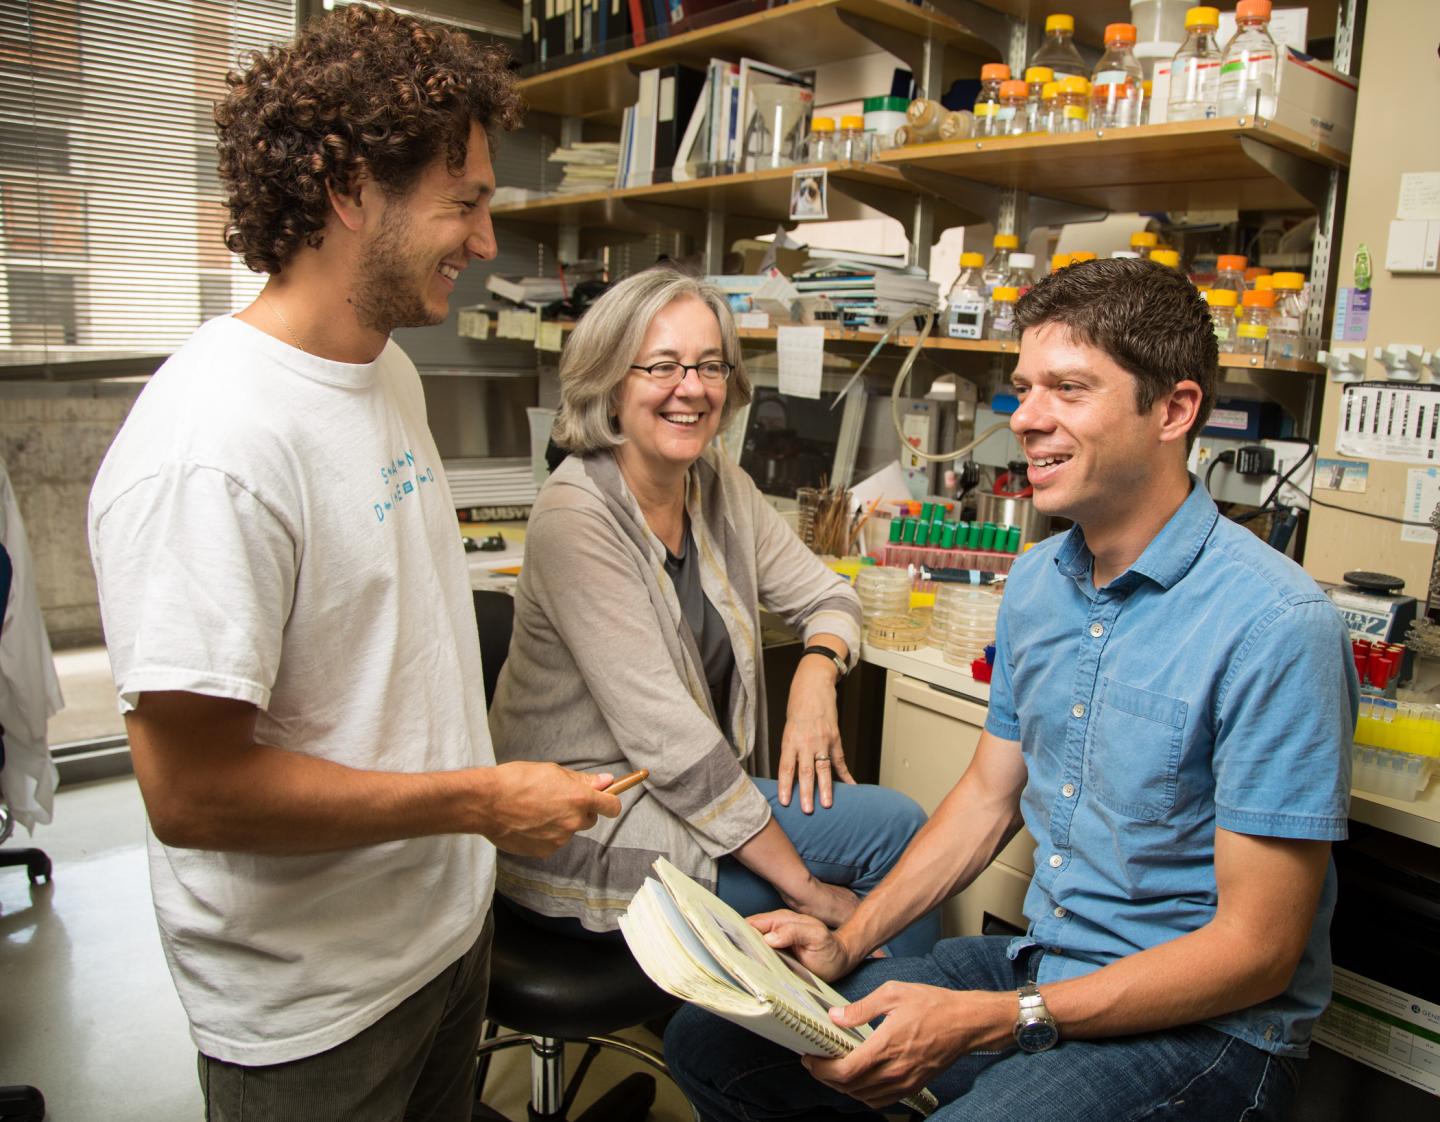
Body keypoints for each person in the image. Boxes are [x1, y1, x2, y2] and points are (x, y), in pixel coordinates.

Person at [663, 256, 1358, 1121]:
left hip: (1209, 1033)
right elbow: (988, 799)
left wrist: (994, 1020)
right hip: (1047, 964)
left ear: (1174, 411)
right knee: (716, 1044)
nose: (1027, 419)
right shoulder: (1037, 585)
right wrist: (846, 941)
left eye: (1068, 389)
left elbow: (1258, 952)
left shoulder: (1275, 626)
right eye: (1025, 387)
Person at [86, 9, 620, 1120]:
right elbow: (190, 792)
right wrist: (480, 801)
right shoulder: (210, 450)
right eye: (465, 203)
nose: (484, 241)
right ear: (348, 192)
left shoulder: (385, 373)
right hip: (314, 1011)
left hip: (437, 939)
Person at [488, 268, 940, 956]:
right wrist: (808, 889)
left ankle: (859, 1045)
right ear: (612, 381)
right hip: (588, 823)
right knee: (896, 837)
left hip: (688, 794)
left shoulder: (719, 485)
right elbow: (667, 739)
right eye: (662, 366)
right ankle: (876, 1051)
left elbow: (830, 594)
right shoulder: (575, 513)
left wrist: (816, 676)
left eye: (709, 366)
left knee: (897, 834)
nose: (691, 388)